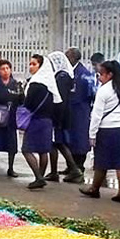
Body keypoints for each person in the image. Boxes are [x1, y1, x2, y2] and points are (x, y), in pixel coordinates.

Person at [80, 60, 120, 203]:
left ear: (109, 75)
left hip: (106, 130)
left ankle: (94, 188)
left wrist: (92, 134)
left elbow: (96, 115)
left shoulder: (103, 90)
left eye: (101, 74)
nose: (99, 77)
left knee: (101, 161)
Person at [45, 52, 82, 183]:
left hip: (58, 114)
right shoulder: (65, 76)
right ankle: (55, 172)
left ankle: (74, 170)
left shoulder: (61, 77)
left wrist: (56, 118)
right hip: (62, 113)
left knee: (58, 142)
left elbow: (59, 98)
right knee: (55, 143)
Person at [20, 54, 56, 190]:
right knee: (43, 150)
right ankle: (39, 177)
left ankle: (39, 177)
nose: (30, 67)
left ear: (41, 66)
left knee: (26, 150)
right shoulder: (50, 84)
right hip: (47, 121)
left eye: (34, 64)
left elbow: (28, 104)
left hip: (35, 120)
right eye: (30, 64)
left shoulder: (34, 84)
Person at [0, 59, 23, 177]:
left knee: (11, 144)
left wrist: (21, 93)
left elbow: (22, 101)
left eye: (7, 68)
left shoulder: (15, 84)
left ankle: (11, 168)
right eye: (3, 69)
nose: (6, 71)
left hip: (11, 117)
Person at [65, 47, 95, 175]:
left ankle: (79, 165)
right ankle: (70, 166)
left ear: (72, 58)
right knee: (68, 138)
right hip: (69, 110)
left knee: (80, 138)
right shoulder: (68, 72)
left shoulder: (84, 74)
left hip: (81, 111)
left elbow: (91, 93)